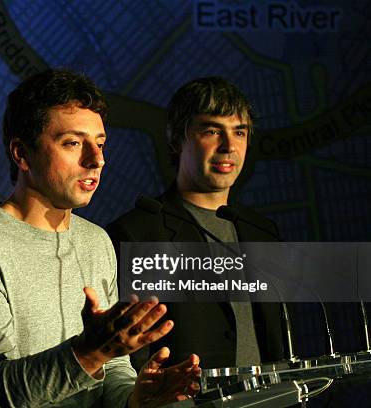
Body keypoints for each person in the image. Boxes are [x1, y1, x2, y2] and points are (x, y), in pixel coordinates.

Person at [0, 69, 201, 407]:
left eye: (100, 144)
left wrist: (135, 399)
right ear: (22, 154)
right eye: (72, 143)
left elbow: (112, 368)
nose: (96, 159)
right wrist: (90, 353)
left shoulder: (96, 241)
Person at [107, 77, 285, 369]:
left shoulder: (262, 231)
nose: (229, 146)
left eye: (239, 132)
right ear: (178, 139)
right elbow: (128, 362)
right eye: (212, 130)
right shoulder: (138, 233)